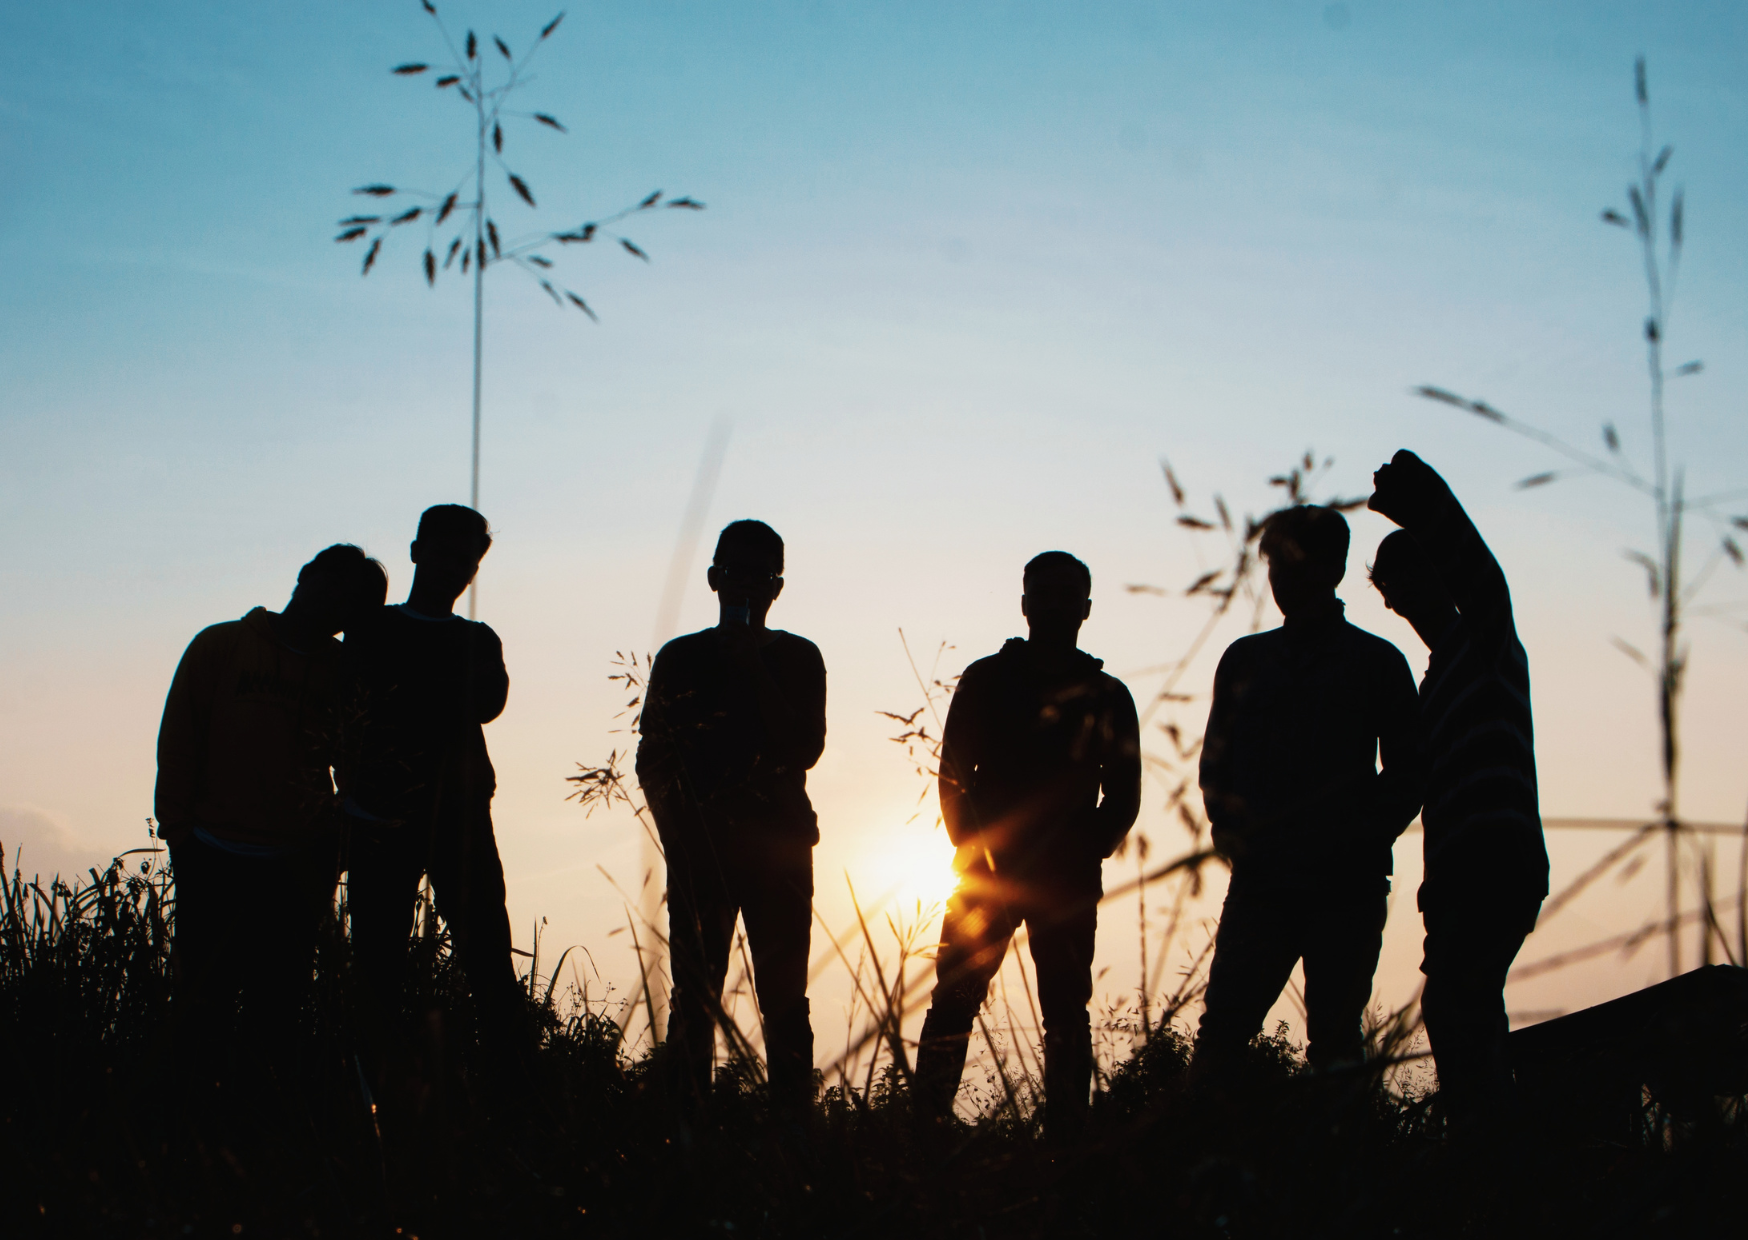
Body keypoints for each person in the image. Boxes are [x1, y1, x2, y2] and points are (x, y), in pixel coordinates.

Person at [913, 551, 1141, 1145]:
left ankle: (1066, 1142)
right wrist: (974, 849)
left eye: (1068, 596)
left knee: (1065, 1013)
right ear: (1024, 603)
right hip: (987, 875)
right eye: (1045, 594)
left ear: (1086, 609)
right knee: (955, 1001)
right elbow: (953, 774)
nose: (1056, 606)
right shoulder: (987, 680)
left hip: (1065, 880)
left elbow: (1124, 794)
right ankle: (922, 1135)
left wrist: (1085, 851)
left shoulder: (1107, 695)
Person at [155, 544, 388, 1108]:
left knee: (278, 1009)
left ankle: (261, 1128)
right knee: (200, 1003)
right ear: (305, 576)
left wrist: (335, 847)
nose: (334, 602)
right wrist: (179, 833)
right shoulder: (222, 645)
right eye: (330, 585)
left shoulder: (344, 671)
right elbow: (180, 738)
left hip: (296, 864)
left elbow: (358, 761)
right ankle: (185, 1124)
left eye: (349, 600)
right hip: (211, 852)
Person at [1193, 504, 1421, 1078]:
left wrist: (1357, 840)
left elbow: (1410, 772)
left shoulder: (1376, 662)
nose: (1281, 578)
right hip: (1263, 883)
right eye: (1275, 565)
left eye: (1294, 564)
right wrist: (1234, 836)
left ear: (1333, 569)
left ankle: (1333, 1142)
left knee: (1335, 1045)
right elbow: (1216, 764)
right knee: (1222, 1036)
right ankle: (1205, 1135)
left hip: (1346, 887)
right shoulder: (1246, 660)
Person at [1367, 449, 1549, 1131]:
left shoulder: (1487, 641)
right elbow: (1416, 793)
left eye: (1412, 575)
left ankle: (1493, 1150)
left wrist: (1419, 504)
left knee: (1454, 1005)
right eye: (1392, 586)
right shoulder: (1432, 687)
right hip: (1455, 879)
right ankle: (1493, 1147)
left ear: (1438, 573)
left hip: (1498, 859)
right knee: (1462, 1011)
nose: (1402, 595)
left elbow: (1483, 575)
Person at [636, 520, 826, 1116]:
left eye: (759, 575)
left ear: (777, 586)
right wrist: (677, 835)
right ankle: (685, 1128)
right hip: (701, 854)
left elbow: (805, 749)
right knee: (695, 997)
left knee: (785, 999)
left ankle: (792, 1132)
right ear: (714, 578)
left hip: (781, 854)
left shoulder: (798, 657)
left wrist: (754, 668)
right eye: (734, 571)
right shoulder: (681, 657)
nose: (745, 584)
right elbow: (653, 757)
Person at [340, 505, 523, 1090]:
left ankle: (514, 1096)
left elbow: (488, 702)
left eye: (465, 561)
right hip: (380, 816)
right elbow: (349, 706)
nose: (453, 569)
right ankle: (376, 1094)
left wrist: (407, 688)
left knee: (489, 959)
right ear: (417, 552)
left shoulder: (477, 639)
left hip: (459, 821)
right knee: (377, 965)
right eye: (444, 554)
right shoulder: (371, 629)